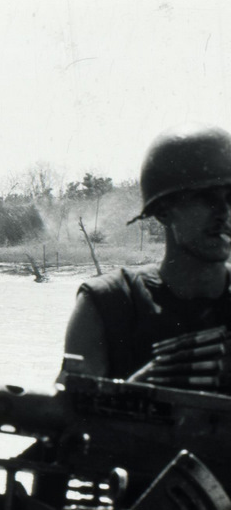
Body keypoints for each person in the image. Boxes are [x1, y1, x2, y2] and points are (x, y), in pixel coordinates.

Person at [60, 123, 231, 385]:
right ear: (163, 211)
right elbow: (69, 408)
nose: (224, 213)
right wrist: (137, 392)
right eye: (205, 198)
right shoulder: (110, 303)